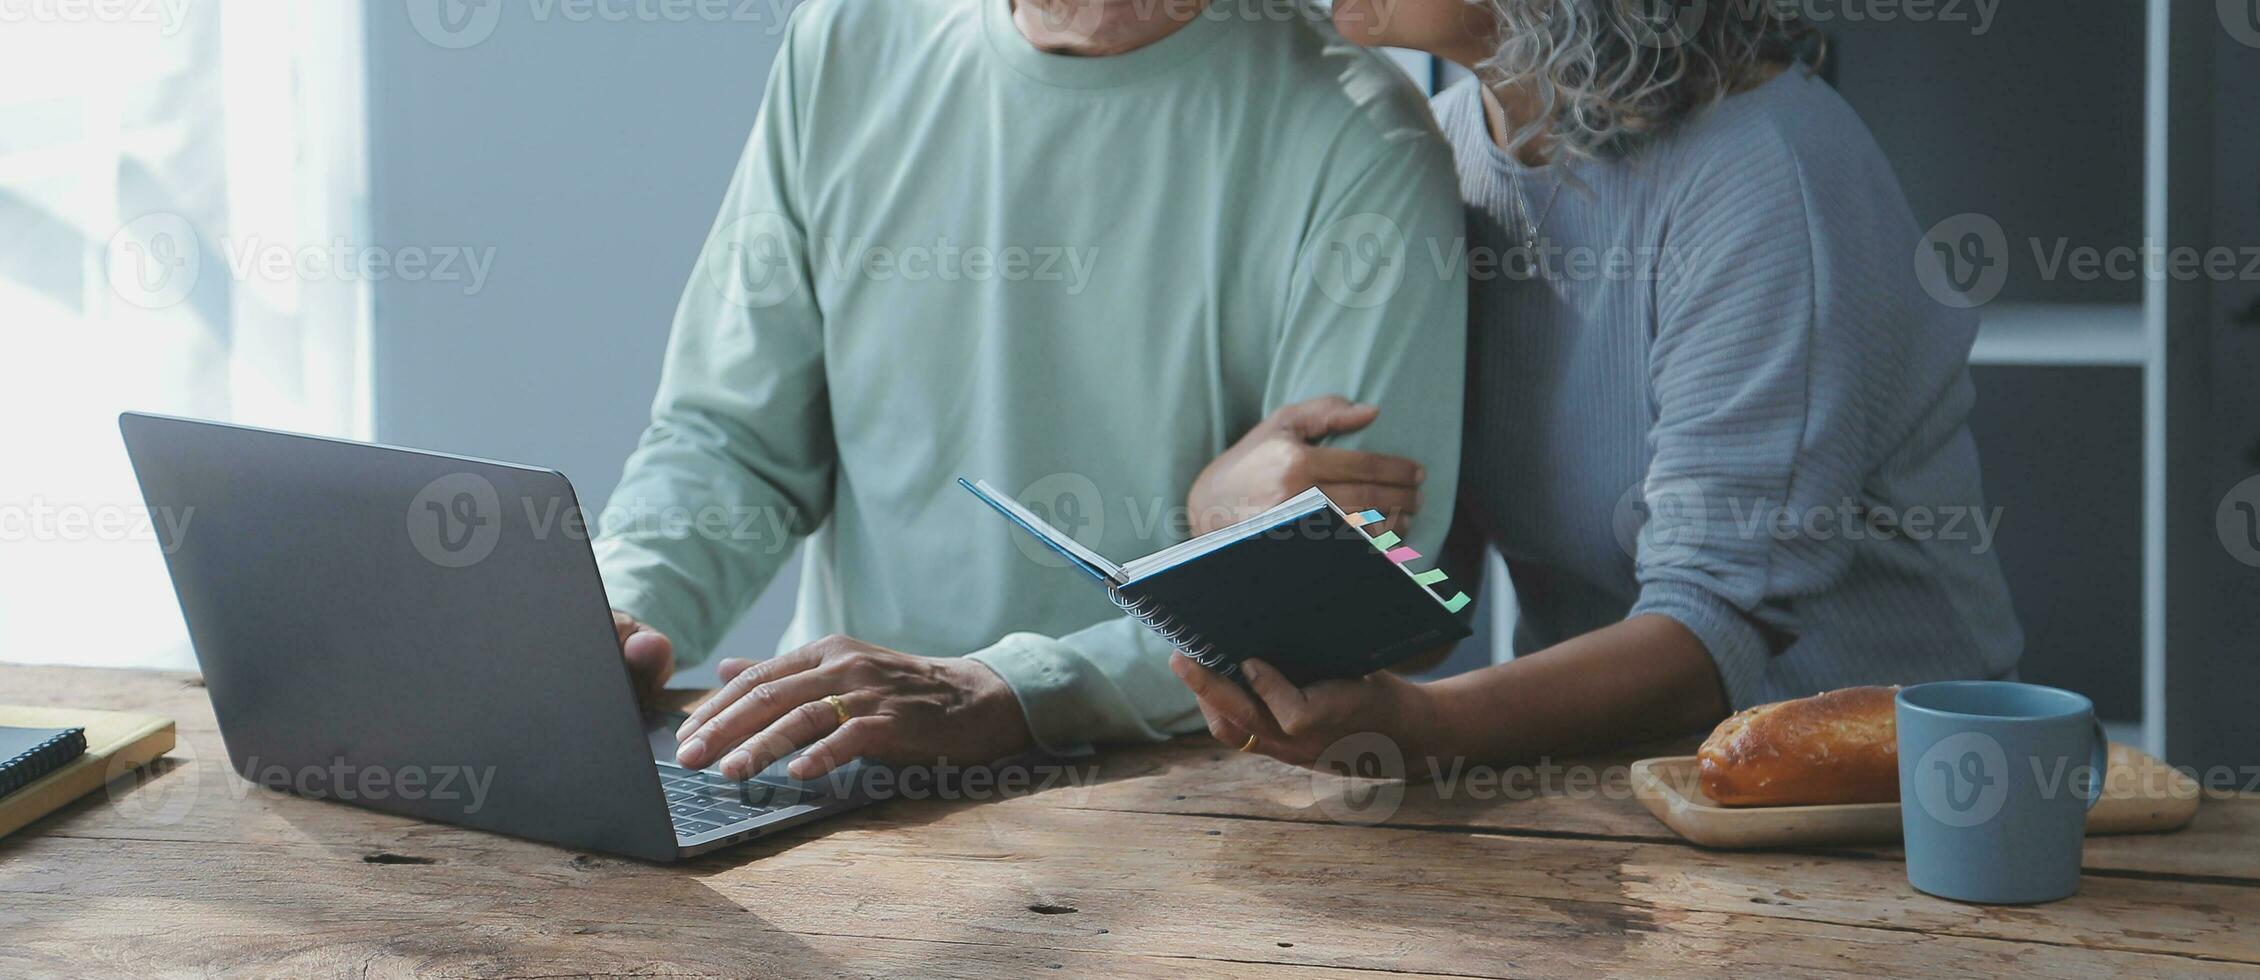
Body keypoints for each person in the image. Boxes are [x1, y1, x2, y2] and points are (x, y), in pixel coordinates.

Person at [602, 0, 1466, 781]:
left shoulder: (1360, 142)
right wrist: (624, 608)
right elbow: (732, 441)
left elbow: (1328, 604)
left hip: (1186, 797)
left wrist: (1006, 689)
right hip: (824, 760)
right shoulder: (843, 39)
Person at [1175, 0, 2021, 767]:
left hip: (1891, 801)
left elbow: (1713, 630)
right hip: (1613, 790)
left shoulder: (1766, 169)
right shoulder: (1441, 154)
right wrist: (1226, 514)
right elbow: (1426, 598)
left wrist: (1423, 728)